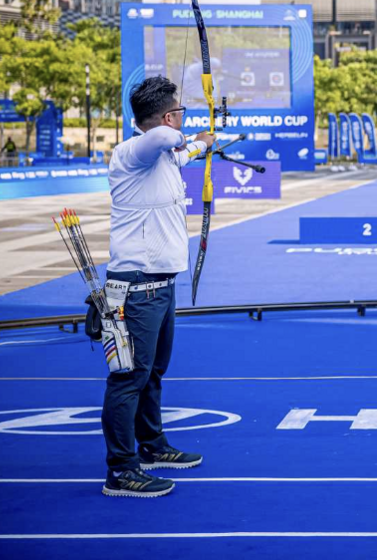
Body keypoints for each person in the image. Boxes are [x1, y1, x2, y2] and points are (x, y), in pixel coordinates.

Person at [100, 76, 214, 498]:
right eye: (179, 111)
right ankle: (121, 469)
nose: (182, 119)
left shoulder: (164, 157)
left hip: (160, 287)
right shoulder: (133, 151)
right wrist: (183, 132)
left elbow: (183, 152)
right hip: (135, 289)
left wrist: (204, 142)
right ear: (168, 116)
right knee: (128, 378)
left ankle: (151, 446)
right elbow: (166, 137)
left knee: (152, 374)